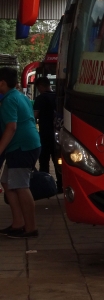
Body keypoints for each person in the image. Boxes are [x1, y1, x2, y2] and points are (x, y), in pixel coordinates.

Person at [0, 67, 41, 238]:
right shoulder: (19, 96)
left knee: (21, 186)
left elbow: (11, 127)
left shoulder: (9, 100)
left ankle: (30, 228)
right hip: (26, 144)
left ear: (2, 83)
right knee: (7, 184)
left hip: (21, 147)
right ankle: (18, 224)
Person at [33, 76, 62, 193]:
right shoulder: (57, 97)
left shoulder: (40, 98)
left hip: (44, 134)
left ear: (40, 86)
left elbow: (34, 116)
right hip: (58, 135)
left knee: (44, 161)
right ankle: (60, 185)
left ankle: (45, 186)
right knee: (57, 161)